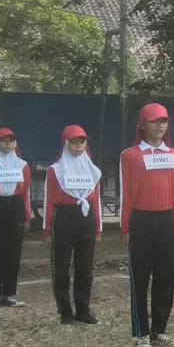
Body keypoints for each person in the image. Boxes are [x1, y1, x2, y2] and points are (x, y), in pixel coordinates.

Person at [120, 102, 174, 347]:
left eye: (164, 121)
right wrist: (125, 226)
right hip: (141, 220)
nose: (160, 126)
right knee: (140, 276)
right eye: (155, 121)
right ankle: (141, 332)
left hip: (167, 220)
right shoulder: (131, 156)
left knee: (166, 276)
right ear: (143, 125)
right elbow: (126, 193)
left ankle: (160, 330)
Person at [45, 125, 102, 325]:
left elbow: (96, 201)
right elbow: (49, 199)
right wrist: (47, 229)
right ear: (66, 143)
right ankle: (65, 310)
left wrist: (97, 227)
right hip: (63, 218)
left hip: (85, 217)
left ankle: (83, 309)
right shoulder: (55, 170)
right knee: (61, 265)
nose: (78, 146)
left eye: (81, 142)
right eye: (74, 142)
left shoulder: (93, 171)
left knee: (85, 266)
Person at [0, 127, 32, 307]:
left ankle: (8, 294)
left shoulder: (22, 165)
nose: (8, 144)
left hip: (15, 207)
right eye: (4, 141)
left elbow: (26, 193)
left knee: (13, 251)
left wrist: (27, 215)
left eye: (11, 141)